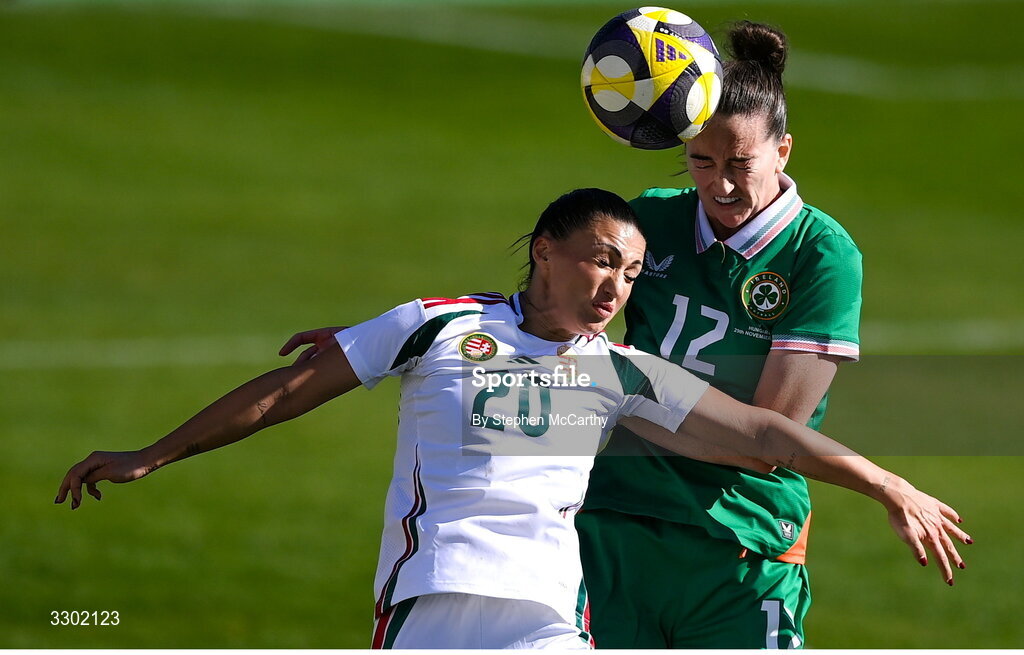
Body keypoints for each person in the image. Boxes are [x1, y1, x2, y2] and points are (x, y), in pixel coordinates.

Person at [56, 189, 968, 650]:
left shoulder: (619, 371)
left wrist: (884, 481)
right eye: (601, 260)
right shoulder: (437, 324)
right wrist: (157, 451)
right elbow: (288, 391)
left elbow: (760, 433)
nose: (615, 284)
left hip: (546, 621)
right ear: (545, 251)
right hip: (429, 609)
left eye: (631, 271)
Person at [575, 21, 884, 648]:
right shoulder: (653, 217)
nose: (718, 185)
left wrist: (620, 401)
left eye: (741, 163)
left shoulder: (820, 254)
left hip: (740, 542)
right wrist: (426, 325)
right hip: (615, 524)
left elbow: (765, 438)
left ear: (783, 151)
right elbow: (563, 320)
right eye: (700, 161)